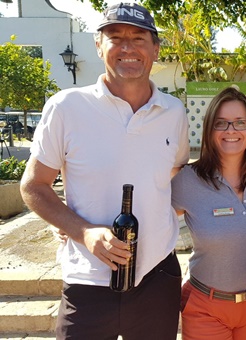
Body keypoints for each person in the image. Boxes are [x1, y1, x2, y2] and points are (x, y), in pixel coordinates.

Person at [19, 3, 189, 339]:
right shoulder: (66, 107)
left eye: (139, 38)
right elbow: (33, 186)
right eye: (115, 37)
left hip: (157, 278)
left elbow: (176, 171)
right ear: (99, 46)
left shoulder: (174, 112)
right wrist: (81, 230)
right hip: (87, 282)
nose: (127, 48)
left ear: (155, 49)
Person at [172, 87, 246, 340]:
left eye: (240, 122)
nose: (231, 130)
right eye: (221, 123)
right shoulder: (188, 180)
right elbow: (149, 218)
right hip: (206, 308)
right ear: (209, 130)